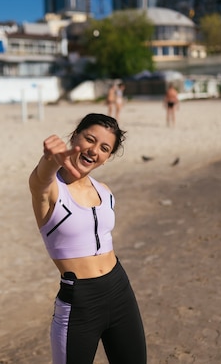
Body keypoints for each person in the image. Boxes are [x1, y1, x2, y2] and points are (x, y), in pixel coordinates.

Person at [28, 113, 147, 364]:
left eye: (104, 148)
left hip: (119, 289)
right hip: (80, 301)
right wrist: (50, 159)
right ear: (74, 137)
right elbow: (41, 177)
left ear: (107, 158)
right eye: (89, 139)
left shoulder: (105, 191)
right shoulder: (50, 190)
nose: (94, 150)